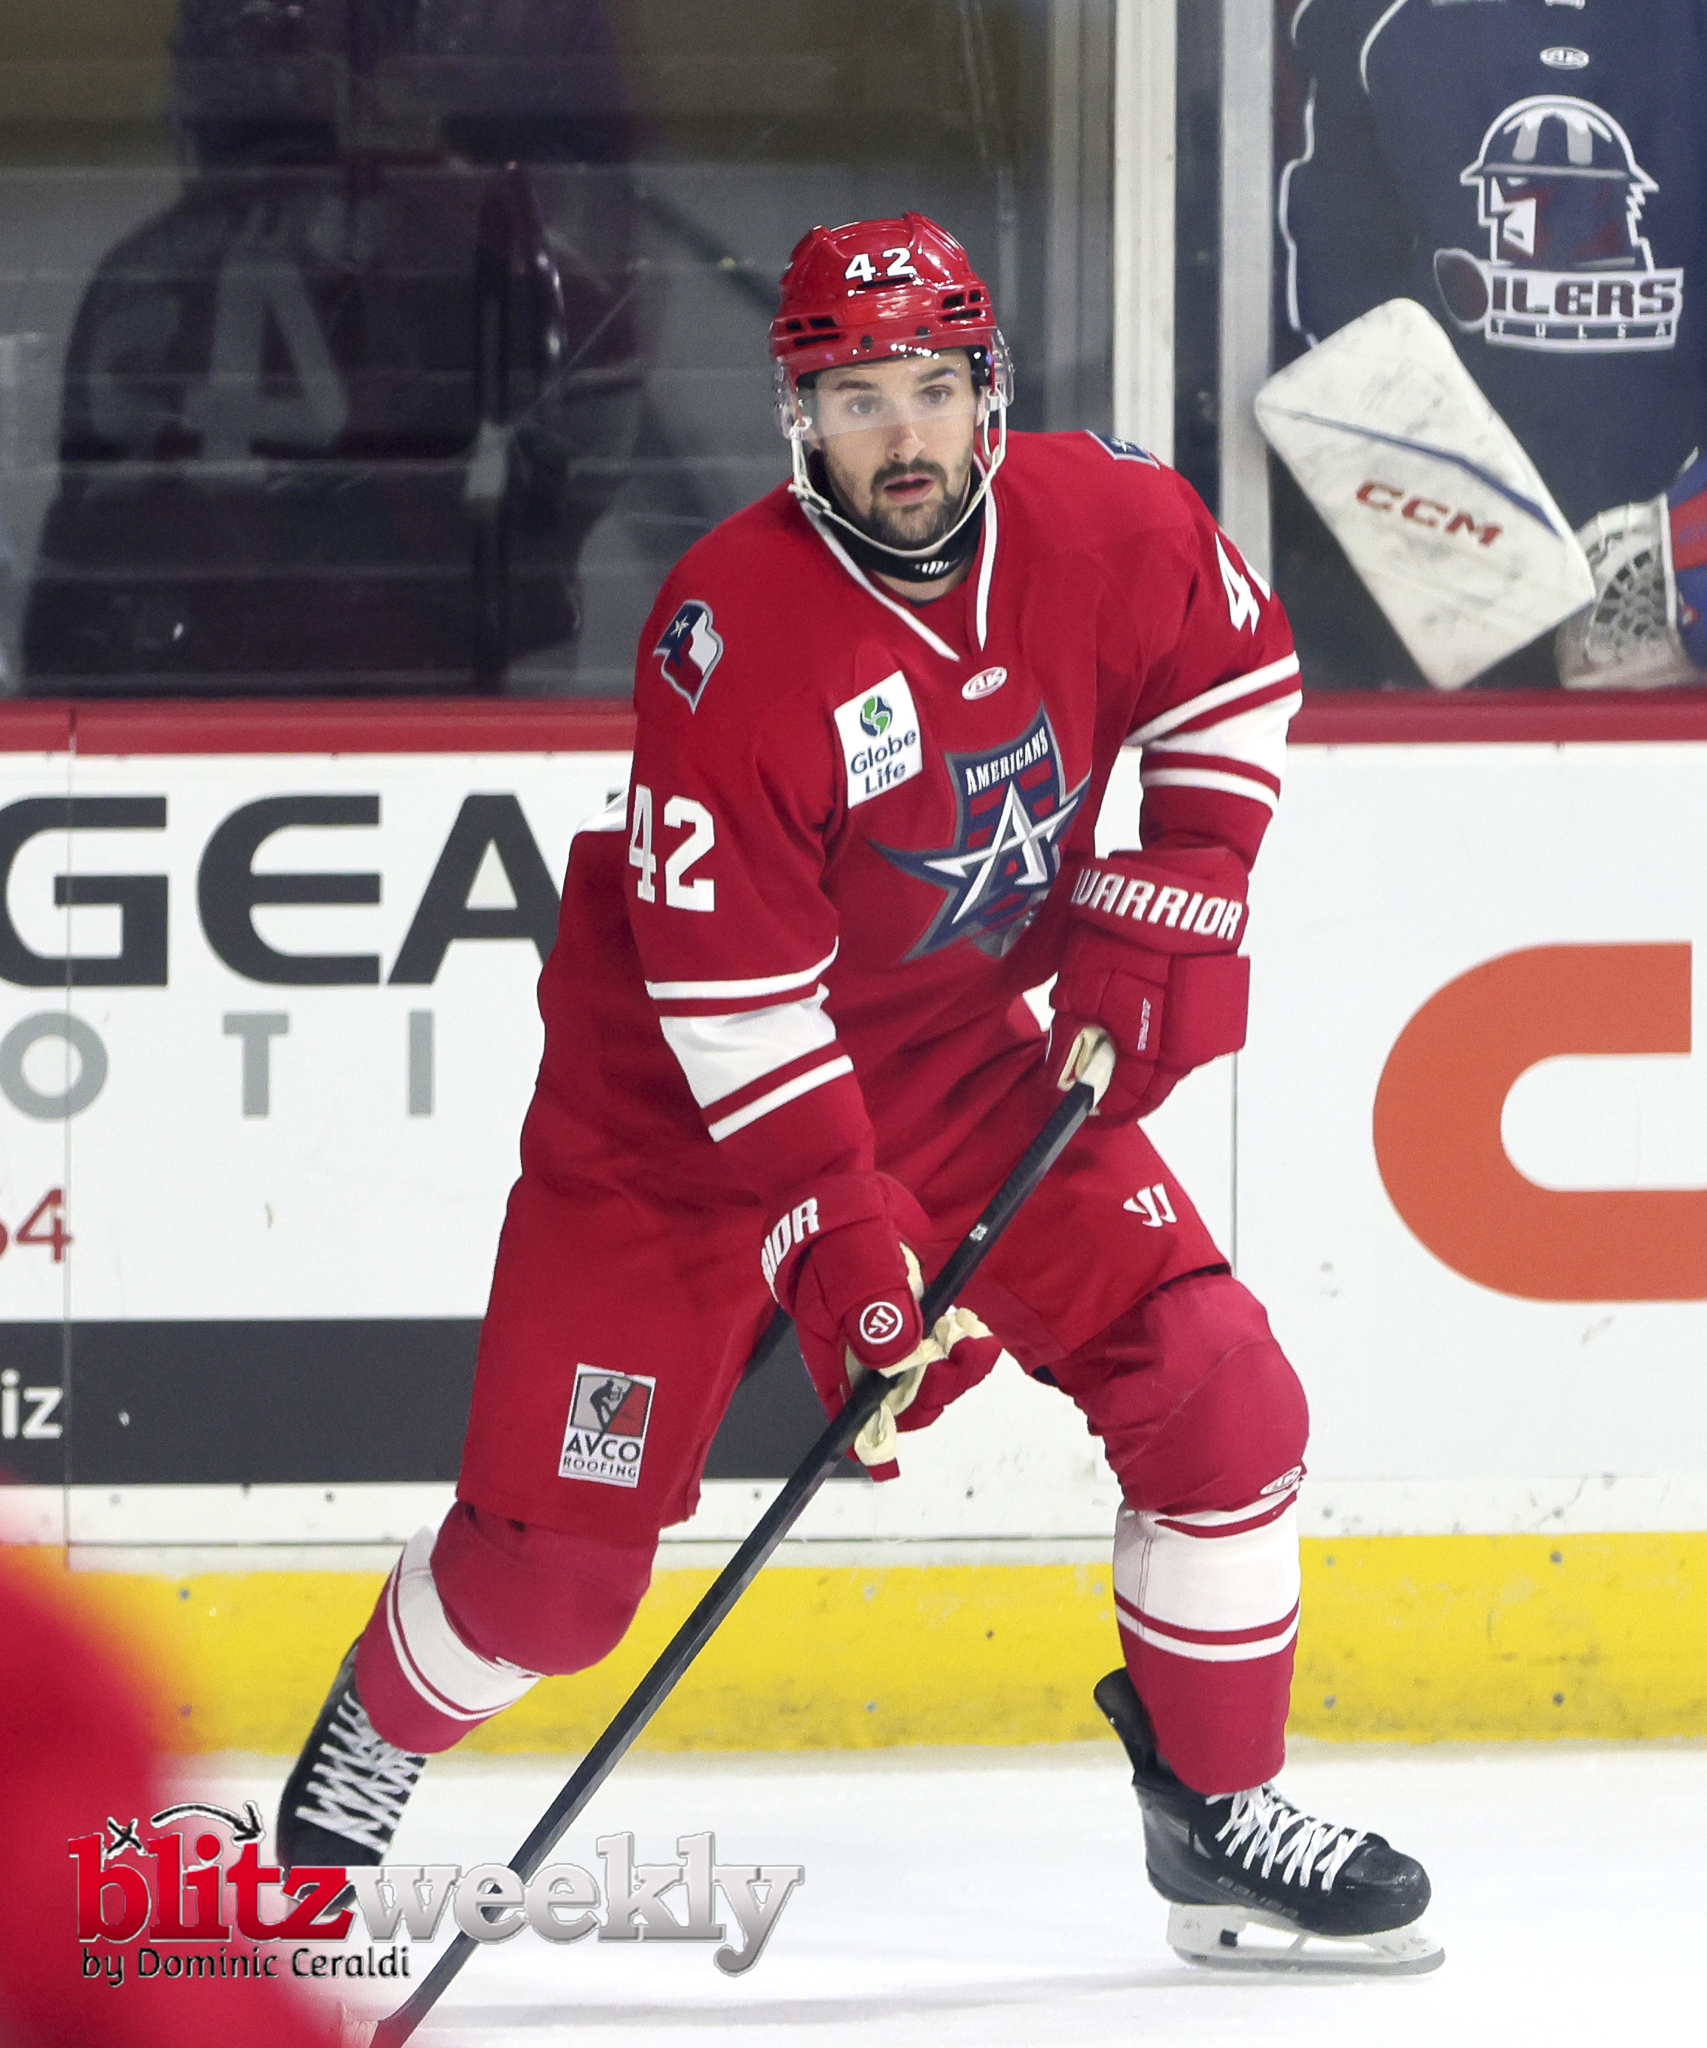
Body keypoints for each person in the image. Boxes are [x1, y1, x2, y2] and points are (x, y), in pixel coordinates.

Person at [276, 213, 1438, 1972]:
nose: (901, 437)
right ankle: (350, 1775)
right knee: (552, 1584)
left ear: (988, 395)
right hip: (673, 1121)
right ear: (796, 422)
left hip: (953, 1060)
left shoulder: (1111, 521)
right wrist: (840, 1237)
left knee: (1219, 1396)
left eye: (930, 390)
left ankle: (1214, 1817)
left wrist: (1188, 868)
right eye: (854, 400)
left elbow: (1235, 668)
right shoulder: (729, 634)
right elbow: (730, 1002)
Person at [1277, 0, 1707, 688]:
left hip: (1681, 606)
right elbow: (1326, 317)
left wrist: (1684, 550)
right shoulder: (1375, 22)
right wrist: (1465, 556)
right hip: (1436, 600)